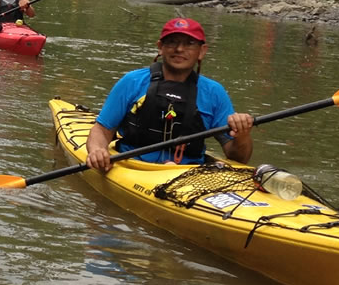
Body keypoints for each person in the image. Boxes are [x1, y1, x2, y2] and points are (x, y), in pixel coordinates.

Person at [85, 18, 254, 171]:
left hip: (189, 174)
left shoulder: (214, 92)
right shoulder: (132, 82)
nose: (180, 49)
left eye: (189, 43)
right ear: (160, 47)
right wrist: (98, 151)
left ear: (202, 51)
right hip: (133, 167)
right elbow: (102, 130)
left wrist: (242, 134)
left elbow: (238, 158)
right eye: (172, 42)